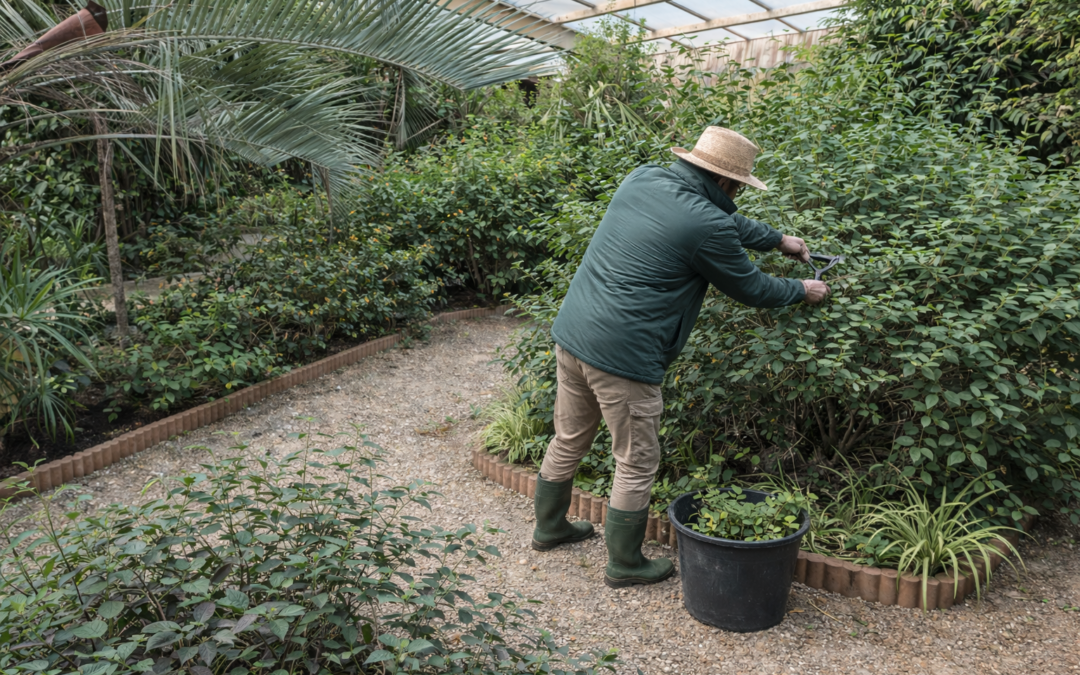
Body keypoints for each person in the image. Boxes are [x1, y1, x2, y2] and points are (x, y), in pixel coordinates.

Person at [530, 126, 831, 588]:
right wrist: (801, 289)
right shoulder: (707, 223)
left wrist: (776, 239)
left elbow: (713, 221)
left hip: (573, 335)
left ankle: (549, 528)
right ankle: (626, 564)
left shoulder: (643, 178)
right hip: (623, 359)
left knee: (568, 438)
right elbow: (750, 287)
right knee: (635, 461)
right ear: (728, 184)